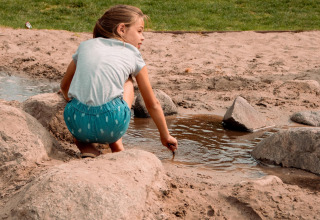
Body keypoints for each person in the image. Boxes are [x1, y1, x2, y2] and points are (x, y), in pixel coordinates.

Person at [60, 5, 178, 158]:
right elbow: (152, 104)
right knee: (128, 80)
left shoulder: (85, 46)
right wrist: (165, 135)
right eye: (140, 31)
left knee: (81, 132)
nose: (143, 37)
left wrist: (79, 104)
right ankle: (117, 144)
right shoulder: (133, 53)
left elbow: (64, 86)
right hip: (112, 125)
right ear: (121, 29)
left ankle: (88, 150)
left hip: (77, 124)